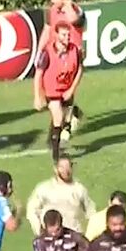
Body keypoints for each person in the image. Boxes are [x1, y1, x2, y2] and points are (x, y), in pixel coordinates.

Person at [39, 0, 87, 138]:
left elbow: (75, 20)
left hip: (73, 54)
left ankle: (65, 124)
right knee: (52, 89)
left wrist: (68, 4)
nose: (52, 1)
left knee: (67, 89)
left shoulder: (76, 10)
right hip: (55, 54)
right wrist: (40, 50)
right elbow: (47, 31)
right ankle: (68, 117)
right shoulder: (51, 11)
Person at [33, 23, 84, 161]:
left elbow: (80, 69)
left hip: (67, 91)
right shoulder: (47, 53)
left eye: (68, 34)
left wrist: (71, 89)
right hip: (52, 91)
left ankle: (74, 115)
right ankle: (56, 155)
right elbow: (38, 75)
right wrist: (38, 96)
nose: (67, 37)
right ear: (56, 36)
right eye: (63, 34)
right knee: (58, 117)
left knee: (65, 122)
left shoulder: (74, 50)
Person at [26, 155, 97, 235]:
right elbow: (32, 211)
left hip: (74, 237)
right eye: (62, 167)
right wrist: (39, 231)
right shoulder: (44, 189)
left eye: (68, 167)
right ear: (55, 169)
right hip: (51, 238)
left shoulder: (79, 189)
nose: (65, 170)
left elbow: (92, 213)